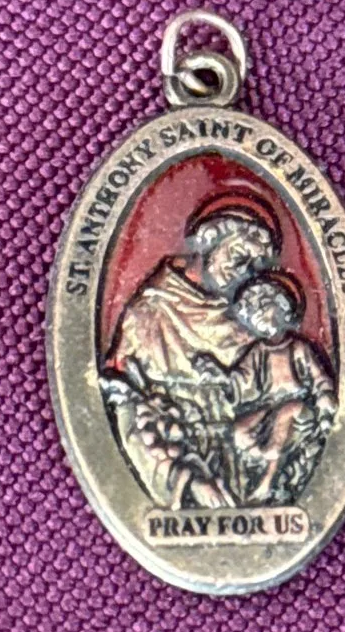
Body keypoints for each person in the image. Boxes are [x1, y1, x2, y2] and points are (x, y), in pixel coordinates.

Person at [102, 195, 281, 509]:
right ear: (210, 238)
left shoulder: (245, 328)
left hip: (237, 469)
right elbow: (126, 408)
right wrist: (183, 478)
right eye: (239, 254)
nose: (243, 271)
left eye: (253, 265)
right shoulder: (149, 313)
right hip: (175, 465)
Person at [196, 273, 336, 505]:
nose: (256, 316)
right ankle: (262, 463)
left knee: (286, 412)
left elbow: (319, 380)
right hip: (268, 410)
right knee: (238, 430)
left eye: (262, 308)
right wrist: (221, 376)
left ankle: (268, 482)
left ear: (282, 307)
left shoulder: (298, 348)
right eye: (252, 312)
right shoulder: (258, 352)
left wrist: (325, 397)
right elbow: (242, 381)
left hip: (300, 411)